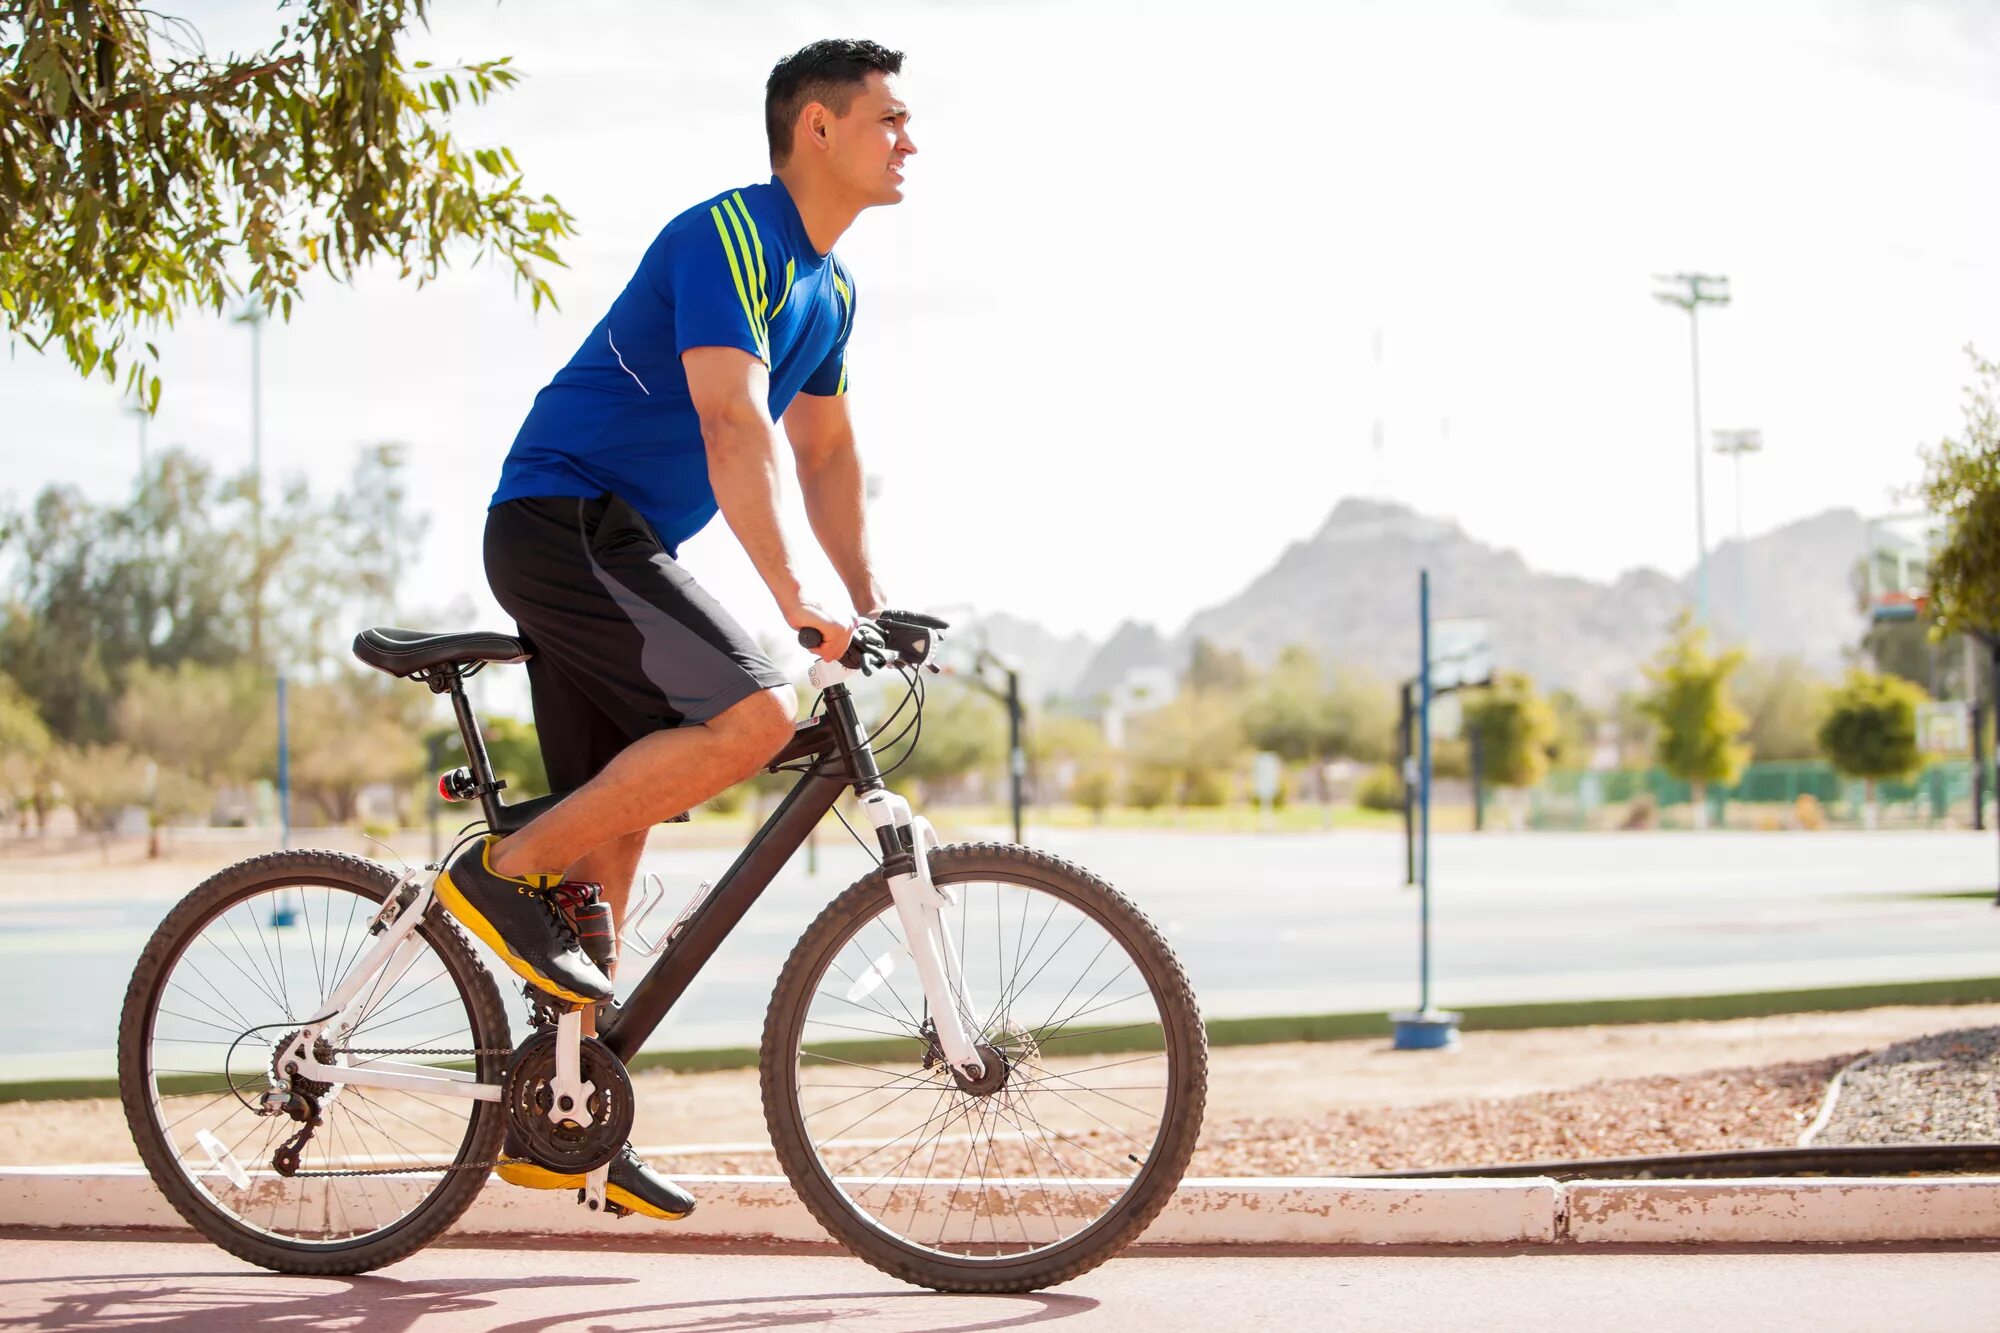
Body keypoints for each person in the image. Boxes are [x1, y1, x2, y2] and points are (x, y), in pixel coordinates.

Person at [436, 38, 915, 1219]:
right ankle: (496, 870)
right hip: (564, 520)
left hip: (617, 539)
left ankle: (562, 1128)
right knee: (753, 714)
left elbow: (824, 450)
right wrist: (794, 603)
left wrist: (861, 599)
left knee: (612, 847)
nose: (909, 141)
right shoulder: (729, 236)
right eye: (889, 121)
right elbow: (729, 418)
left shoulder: (830, 287)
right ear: (815, 126)